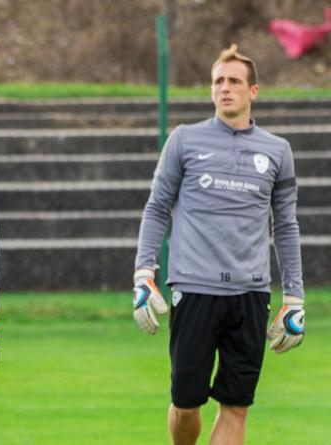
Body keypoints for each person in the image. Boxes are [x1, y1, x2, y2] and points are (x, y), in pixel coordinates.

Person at [132, 44, 305, 445]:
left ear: (253, 91)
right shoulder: (184, 140)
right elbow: (157, 208)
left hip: (250, 293)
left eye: (234, 81)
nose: (224, 88)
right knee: (186, 404)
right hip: (194, 290)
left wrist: (294, 299)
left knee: (236, 406)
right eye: (218, 81)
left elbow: (288, 225)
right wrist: (144, 274)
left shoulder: (277, 151)